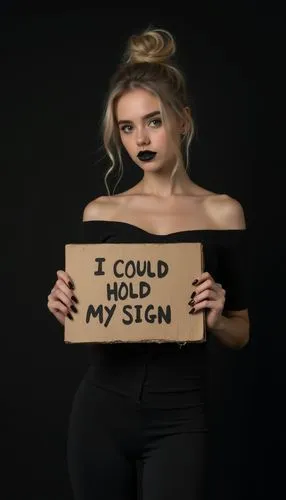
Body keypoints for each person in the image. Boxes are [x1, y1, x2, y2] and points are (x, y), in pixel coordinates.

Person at [47, 26, 250, 500]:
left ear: (183, 121)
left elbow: (241, 333)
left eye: (153, 121)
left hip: (180, 419)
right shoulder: (101, 212)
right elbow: (94, 313)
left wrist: (217, 317)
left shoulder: (223, 211)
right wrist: (65, 306)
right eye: (127, 126)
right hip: (99, 413)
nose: (141, 138)